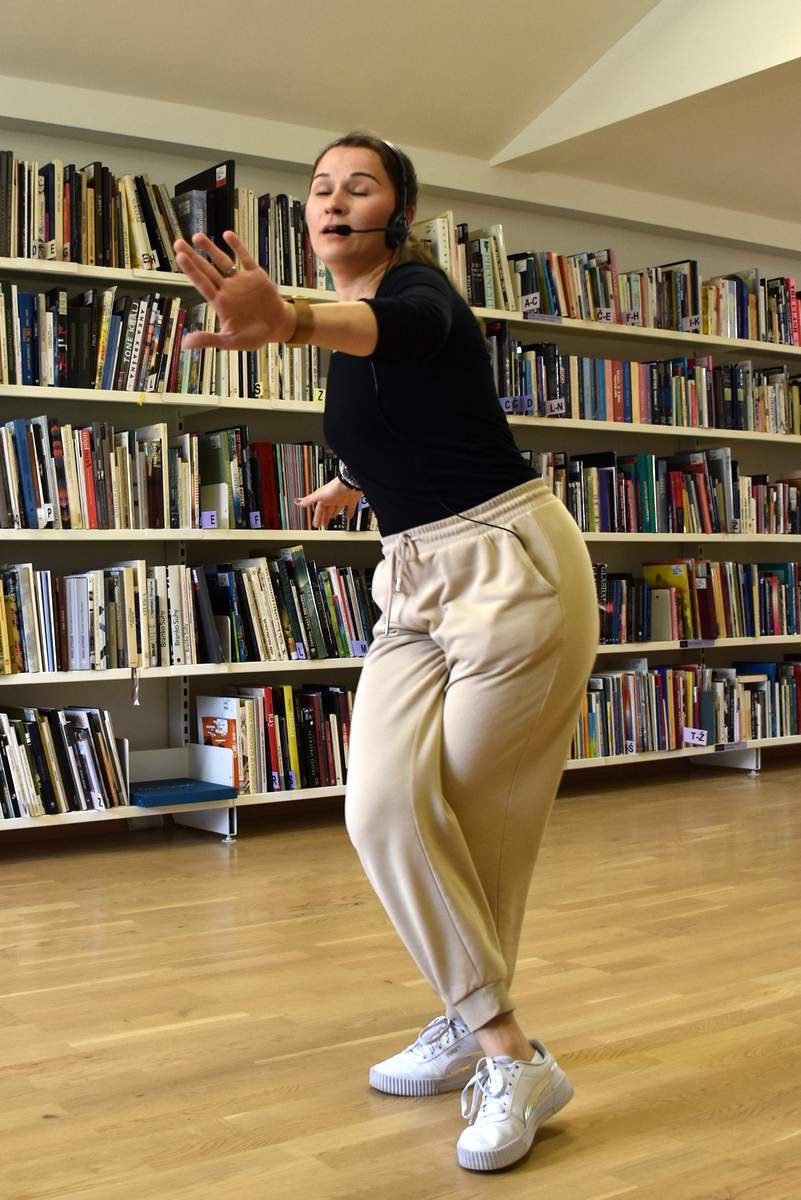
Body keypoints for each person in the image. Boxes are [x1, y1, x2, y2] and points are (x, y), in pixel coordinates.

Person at [174, 131, 599, 1173]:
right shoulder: (353, 326)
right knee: (380, 806)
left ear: (397, 211)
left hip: (511, 569)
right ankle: (493, 1035)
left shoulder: (419, 294)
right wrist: (354, 482)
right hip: (411, 580)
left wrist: (287, 319)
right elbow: (411, 412)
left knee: (476, 826)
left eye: (358, 187)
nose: (332, 200)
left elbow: (404, 336)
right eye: (320, 187)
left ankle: (493, 1045)